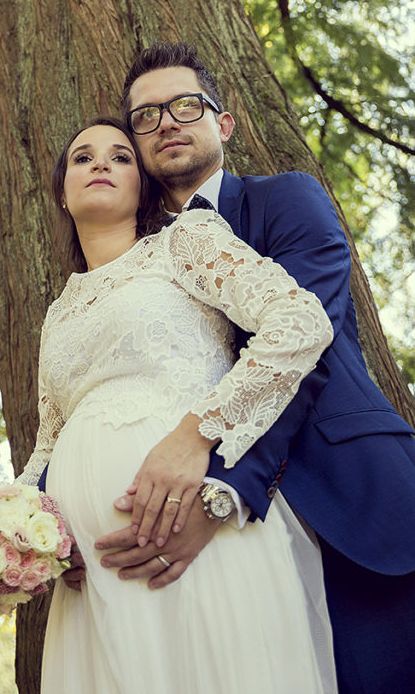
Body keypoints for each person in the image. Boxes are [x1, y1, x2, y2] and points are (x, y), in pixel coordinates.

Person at [93, 42, 415, 694]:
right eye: (146, 116)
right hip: (233, 568)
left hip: (349, 501)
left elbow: (307, 349)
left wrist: (223, 490)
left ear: (224, 122)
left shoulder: (286, 198)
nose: (167, 122)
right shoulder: (142, 260)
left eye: (185, 105)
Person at [18, 115, 337, 693]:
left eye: (120, 157)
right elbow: (49, 441)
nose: (100, 163)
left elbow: (298, 322)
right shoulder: (57, 313)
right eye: (83, 157)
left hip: (201, 533)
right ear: (62, 193)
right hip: (95, 577)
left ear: (143, 187)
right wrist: (26, 527)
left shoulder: (184, 241)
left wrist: (197, 434)